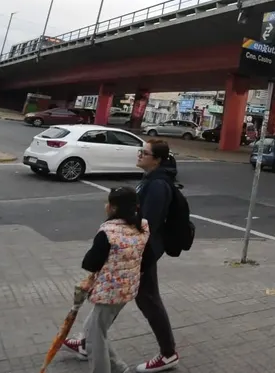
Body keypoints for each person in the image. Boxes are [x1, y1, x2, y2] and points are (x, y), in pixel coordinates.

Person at [65, 139, 180, 371]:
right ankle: (89, 341)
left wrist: (125, 245)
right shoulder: (150, 179)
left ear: (156, 159)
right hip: (137, 253)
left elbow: (148, 223)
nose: (139, 155)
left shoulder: (158, 185)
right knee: (124, 298)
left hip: (141, 254)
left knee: (144, 300)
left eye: (144, 153)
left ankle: (168, 353)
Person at [69, 186, 149, 373]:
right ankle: (118, 367)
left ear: (113, 208)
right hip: (129, 287)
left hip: (109, 292)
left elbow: (90, 263)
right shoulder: (142, 225)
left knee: (94, 337)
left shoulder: (108, 231)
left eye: (108, 203)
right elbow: (147, 256)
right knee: (93, 329)